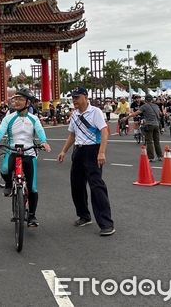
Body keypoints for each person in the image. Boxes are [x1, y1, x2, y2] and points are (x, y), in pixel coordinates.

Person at [0, 88, 52, 227]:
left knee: (33, 188)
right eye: (15, 99)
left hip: (29, 153)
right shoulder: (9, 117)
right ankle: (9, 185)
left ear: (28, 102)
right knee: (4, 170)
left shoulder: (33, 119)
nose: (16, 102)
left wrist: (44, 142)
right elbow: (1, 131)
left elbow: (40, 131)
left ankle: (32, 215)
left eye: (20, 99)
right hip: (13, 151)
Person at [57, 87, 115, 236]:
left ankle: (106, 223)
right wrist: (64, 151)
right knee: (76, 185)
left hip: (93, 151)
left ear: (85, 97)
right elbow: (72, 135)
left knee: (96, 186)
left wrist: (101, 152)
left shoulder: (95, 112)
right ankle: (84, 216)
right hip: (79, 150)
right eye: (73, 98)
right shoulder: (75, 114)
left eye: (77, 97)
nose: (74, 100)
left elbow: (104, 132)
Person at [126, 94, 163, 161]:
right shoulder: (156, 106)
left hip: (149, 125)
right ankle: (160, 156)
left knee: (149, 142)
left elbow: (135, 113)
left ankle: (151, 157)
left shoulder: (144, 106)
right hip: (157, 125)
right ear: (152, 100)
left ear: (145, 100)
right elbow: (160, 113)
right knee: (156, 141)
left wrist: (126, 118)